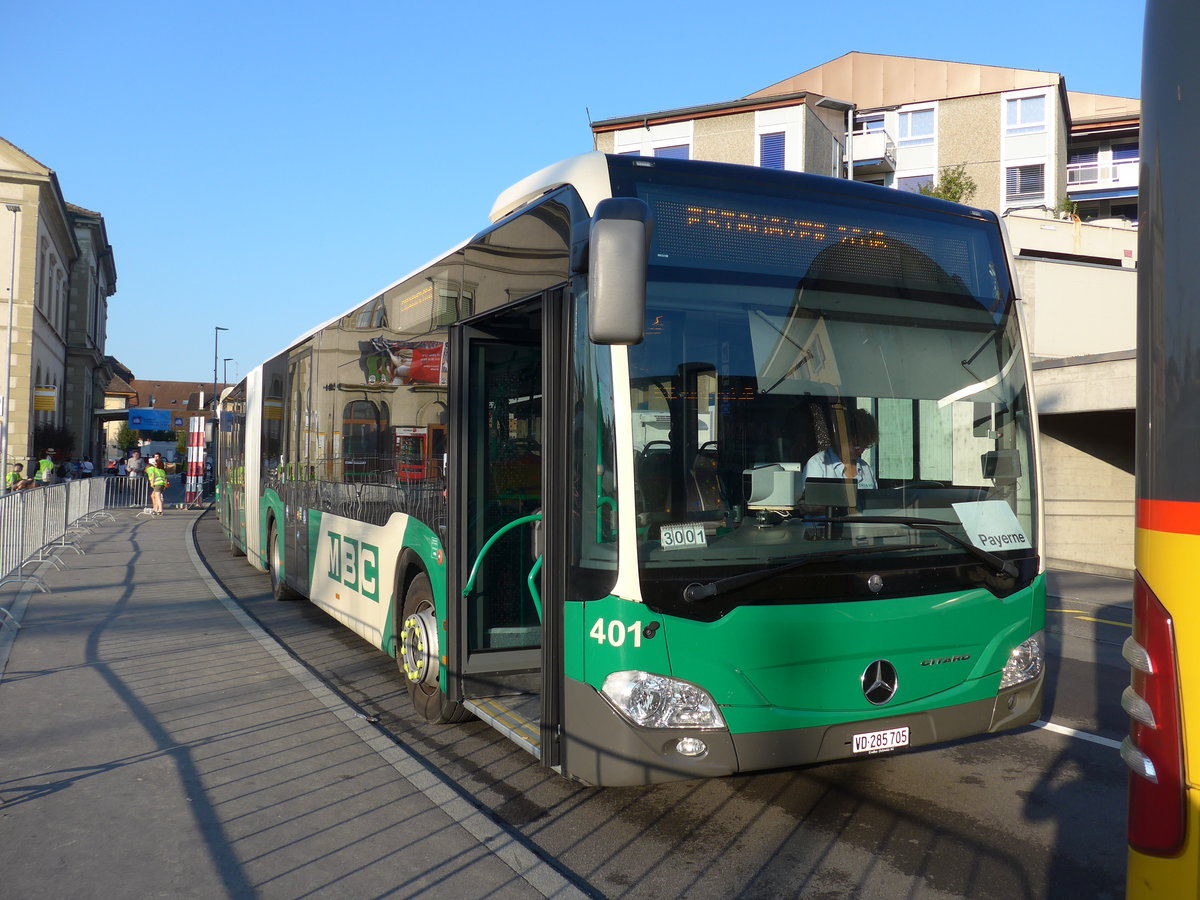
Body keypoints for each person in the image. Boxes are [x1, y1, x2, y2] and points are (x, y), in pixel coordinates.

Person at [803, 408, 879, 489]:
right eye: (856, 445)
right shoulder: (818, 465)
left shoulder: (866, 468)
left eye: (865, 446)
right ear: (842, 437)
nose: (860, 451)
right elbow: (812, 499)